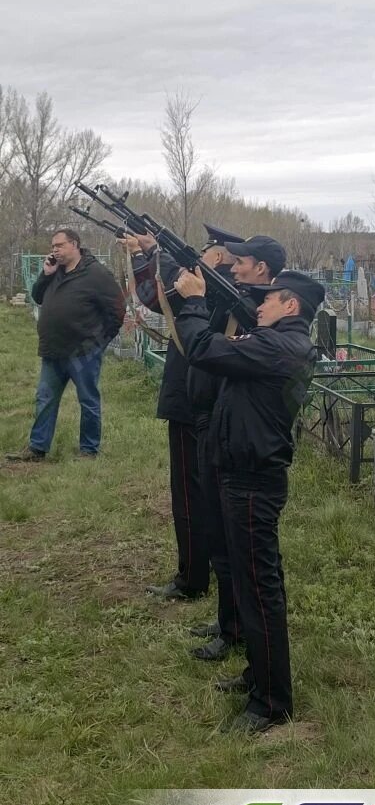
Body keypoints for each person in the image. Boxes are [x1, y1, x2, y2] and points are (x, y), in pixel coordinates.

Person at [173, 267, 325, 734]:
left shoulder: (278, 347)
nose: (259, 306)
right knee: (248, 582)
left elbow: (202, 348)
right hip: (241, 475)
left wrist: (194, 302)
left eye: (268, 299)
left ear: (291, 305)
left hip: (253, 483)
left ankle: (272, 702)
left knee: (260, 590)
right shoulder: (274, 343)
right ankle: (258, 674)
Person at [119, 224, 245, 602]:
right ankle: (213, 566)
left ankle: (192, 577)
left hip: (192, 398)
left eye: (203, 254)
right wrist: (147, 252)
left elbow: (156, 295)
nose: (198, 260)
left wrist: (154, 250)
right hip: (215, 401)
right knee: (209, 491)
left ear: (217, 256)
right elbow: (159, 297)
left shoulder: (211, 289)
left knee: (189, 493)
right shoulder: (233, 290)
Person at [189, 233, 288, 662]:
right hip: (221, 428)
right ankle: (231, 620)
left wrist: (197, 302)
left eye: (241, 261)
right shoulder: (242, 302)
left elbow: (212, 349)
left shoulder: (266, 319)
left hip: (242, 443)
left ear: (261, 268)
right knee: (219, 534)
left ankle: (240, 629)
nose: (233, 266)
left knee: (240, 548)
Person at [6, 228, 125, 462]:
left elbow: (118, 309)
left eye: (59, 245)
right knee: (45, 399)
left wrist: (99, 343)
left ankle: (89, 450)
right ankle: (37, 448)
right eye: (53, 246)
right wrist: (46, 274)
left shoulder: (96, 273)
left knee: (88, 400)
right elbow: (37, 296)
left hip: (83, 352)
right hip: (53, 349)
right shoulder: (54, 271)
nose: (55, 250)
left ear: (75, 245)